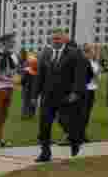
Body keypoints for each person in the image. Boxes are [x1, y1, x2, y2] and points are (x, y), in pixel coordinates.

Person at [34, 29, 89, 162]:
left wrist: (76, 92)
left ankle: (75, 140)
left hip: (66, 96)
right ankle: (45, 152)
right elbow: (40, 75)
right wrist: (34, 95)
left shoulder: (75, 53)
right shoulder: (45, 53)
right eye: (53, 39)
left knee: (66, 123)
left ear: (64, 39)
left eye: (58, 38)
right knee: (44, 125)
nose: (56, 41)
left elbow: (79, 74)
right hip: (47, 96)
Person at [80, 44, 103, 144]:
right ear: (87, 52)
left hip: (92, 90)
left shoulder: (94, 63)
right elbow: (91, 76)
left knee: (87, 114)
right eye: (92, 51)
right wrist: (96, 73)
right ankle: (78, 134)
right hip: (85, 90)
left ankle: (83, 133)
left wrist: (97, 72)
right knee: (83, 113)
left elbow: (98, 78)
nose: (94, 53)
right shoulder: (83, 62)